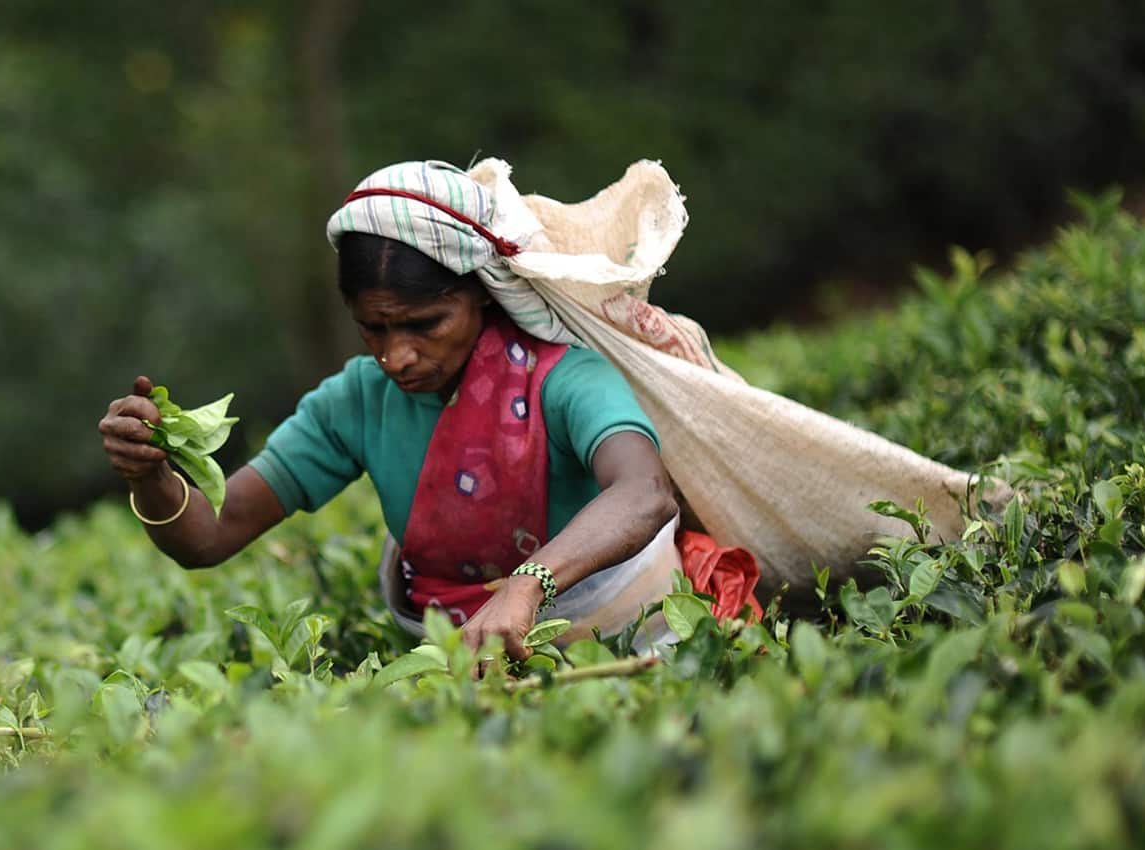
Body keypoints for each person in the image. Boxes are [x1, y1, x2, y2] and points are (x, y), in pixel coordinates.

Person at [98, 160, 708, 665]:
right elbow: (208, 535)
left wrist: (527, 585)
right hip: (450, 661)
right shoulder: (357, 402)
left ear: (482, 294)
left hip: (629, 642)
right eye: (373, 329)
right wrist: (150, 475)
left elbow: (643, 492)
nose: (397, 356)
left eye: (425, 324)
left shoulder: (565, 377)